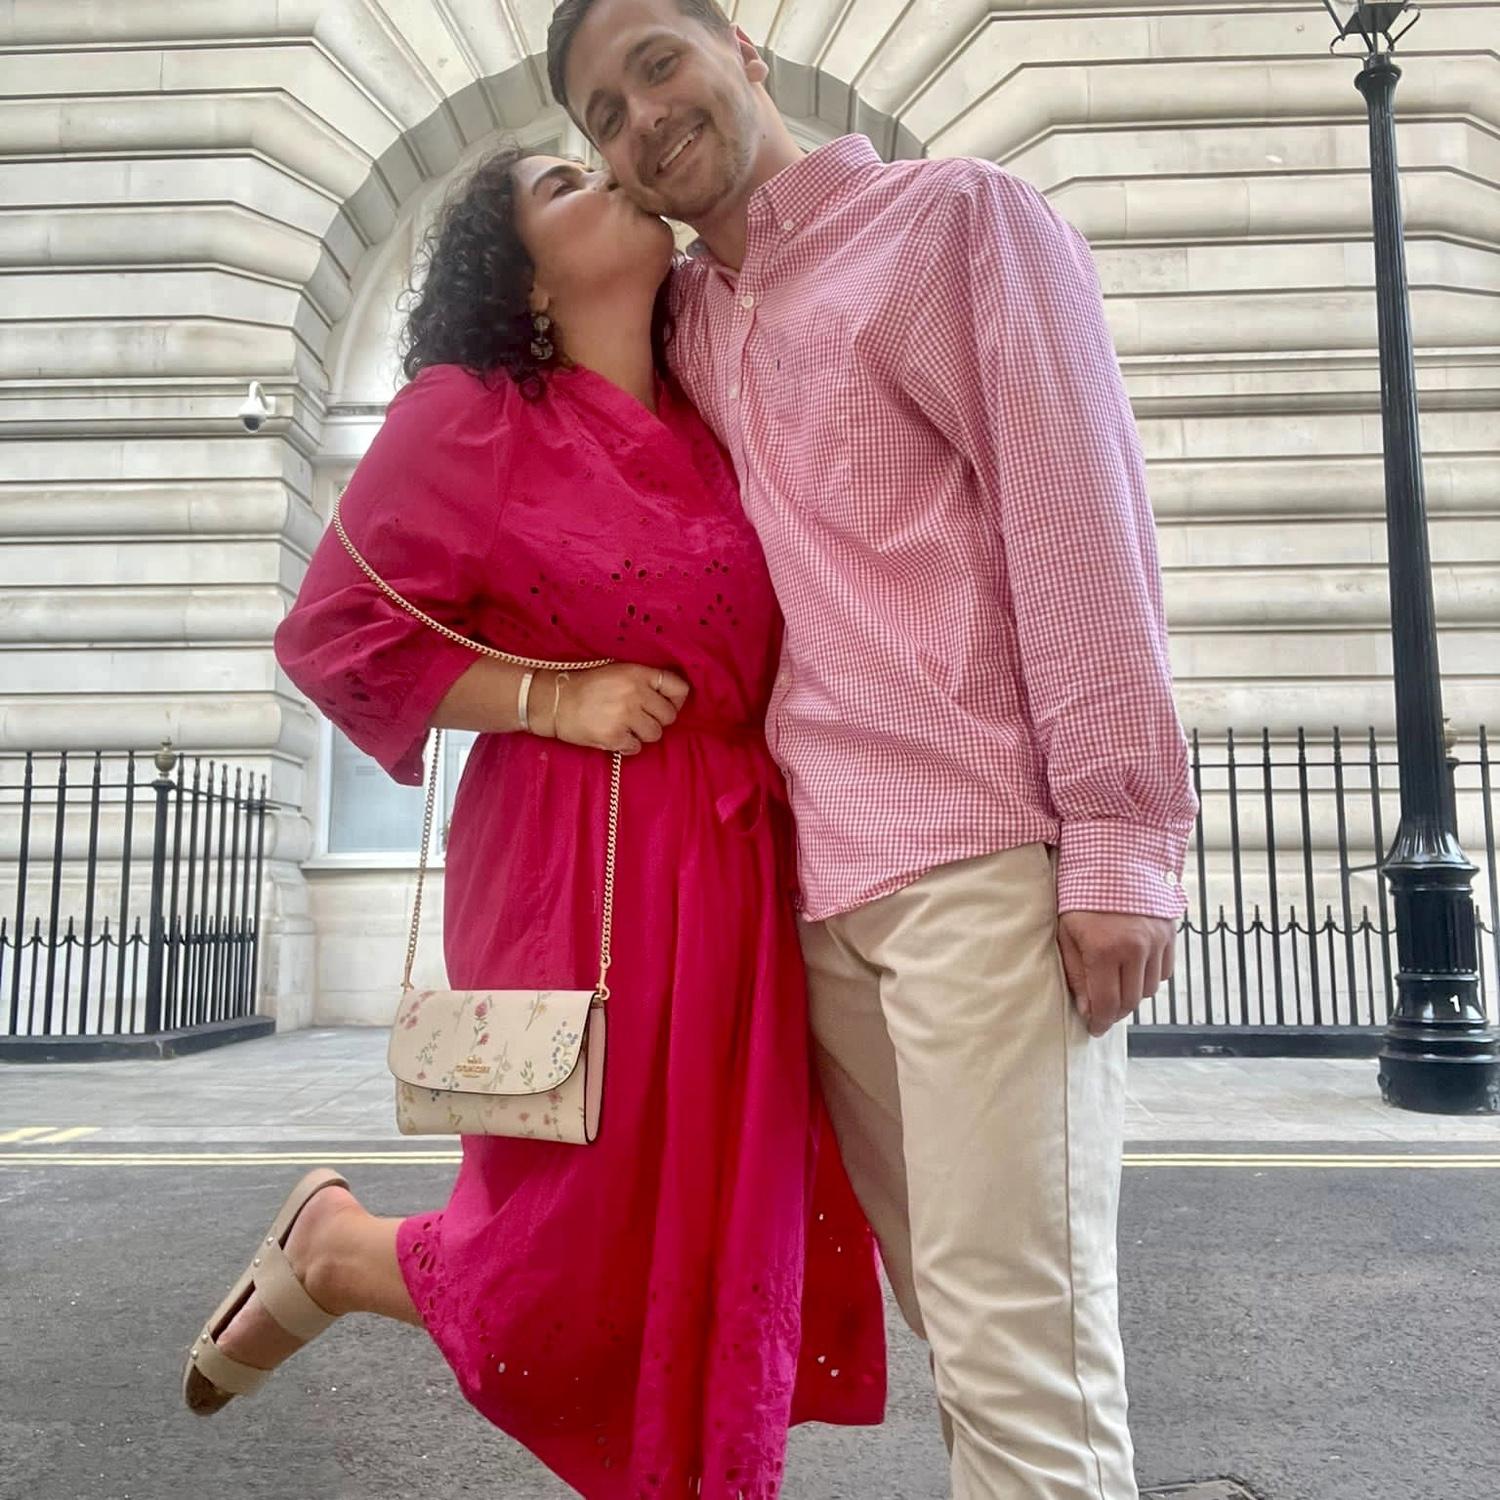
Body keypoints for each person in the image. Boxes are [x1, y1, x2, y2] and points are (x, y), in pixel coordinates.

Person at [548, 5, 1201, 1498]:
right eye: (602, 115)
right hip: (817, 894)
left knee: (1024, 1356)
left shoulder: (957, 223)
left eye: (657, 62)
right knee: (968, 1342)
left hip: (979, 860)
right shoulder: (690, 325)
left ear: (741, 48)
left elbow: (1078, 521)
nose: (641, 118)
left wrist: (1120, 838)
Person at [181, 146, 886, 1499]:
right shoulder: (474, 414)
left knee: (711, 1235)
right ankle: (340, 1253)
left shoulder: (713, 408)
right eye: (565, 184)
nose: (611, 177)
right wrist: (549, 697)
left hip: (736, 866)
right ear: (527, 286)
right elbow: (333, 634)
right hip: (580, 859)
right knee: (572, 1245)